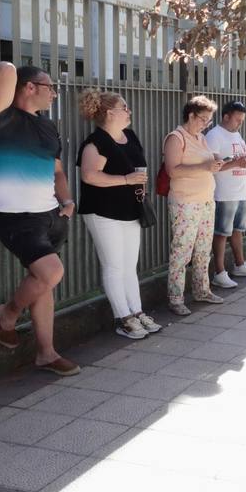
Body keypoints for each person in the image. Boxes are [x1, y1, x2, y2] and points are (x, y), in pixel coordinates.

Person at [0, 62, 78, 376]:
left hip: (49, 214)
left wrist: (67, 199)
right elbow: (7, 70)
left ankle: (46, 353)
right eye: (51, 87)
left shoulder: (48, 127)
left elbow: (57, 170)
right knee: (50, 273)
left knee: (43, 282)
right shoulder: (0, 116)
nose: (55, 95)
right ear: (30, 87)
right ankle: (6, 314)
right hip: (13, 215)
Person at [77, 89, 158, 340]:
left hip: (130, 210)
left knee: (128, 266)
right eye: (125, 107)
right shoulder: (95, 142)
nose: (129, 111)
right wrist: (126, 179)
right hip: (103, 212)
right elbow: (89, 176)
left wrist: (137, 184)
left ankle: (137, 311)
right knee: (113, 266)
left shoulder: (129, 136)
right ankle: (123, 318)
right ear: (111, 113)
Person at [164, 96, 227, 315]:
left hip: (205, 200)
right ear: (190, 115)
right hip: (185, 203)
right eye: (203, 119)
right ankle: (175, 297)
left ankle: (202, 290)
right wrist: (205, 165)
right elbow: (173, 170)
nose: (206, 124)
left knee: (202, 249)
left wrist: (216, 164)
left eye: (209, 121)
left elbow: (207, 165)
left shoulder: (200, 138)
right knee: (182, 251)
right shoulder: (176, 137)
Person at [204, 100, 246, 289]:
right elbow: (212, 167)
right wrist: (237, 164)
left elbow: (237, 160)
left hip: (240, 190)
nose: (240, 123)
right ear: (226, 116)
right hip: (223, 193)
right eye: (237, 119)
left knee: (238, 230)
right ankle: (219, 272)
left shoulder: (236, 134)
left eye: (242, 120)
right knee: (221, 233)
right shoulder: (214, 136)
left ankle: (240, 264)